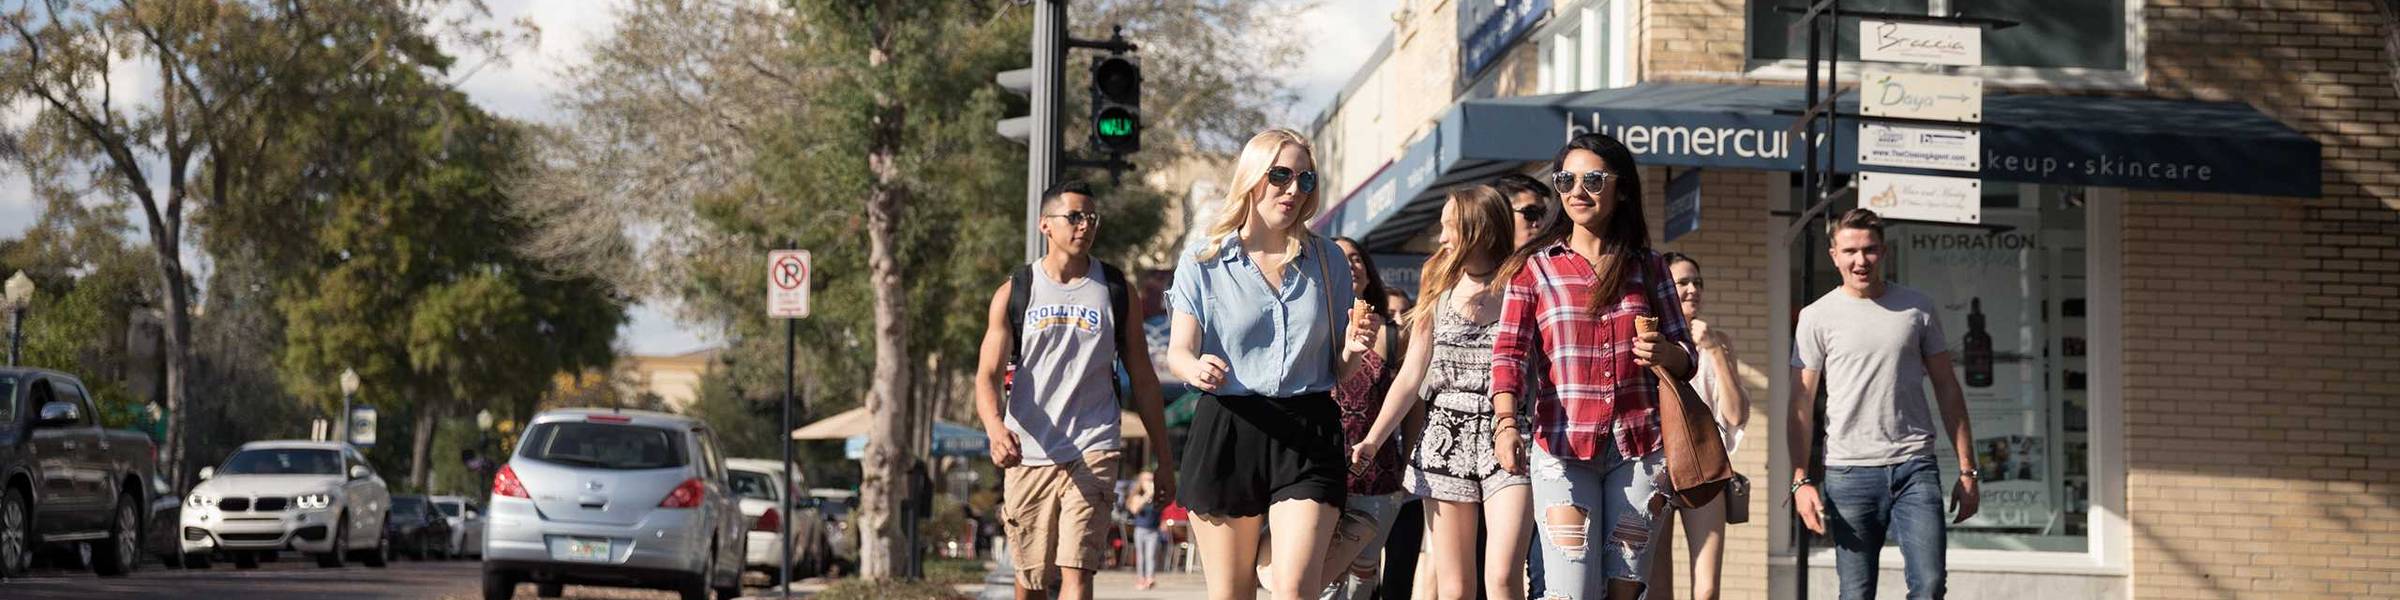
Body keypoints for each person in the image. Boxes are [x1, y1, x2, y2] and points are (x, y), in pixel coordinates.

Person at [1167, 127, 1383, 600]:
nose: (1292, 190)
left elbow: (1339, 368)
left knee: (1294, 588)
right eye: (1280, 175)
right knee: (1232, 593)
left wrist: (1353, 348)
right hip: (1229, 424)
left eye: (1305, 180)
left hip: (1308, 429)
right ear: (1251, 177)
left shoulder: (1326, 260)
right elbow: (1177, 351)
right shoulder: (1204, 259)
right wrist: (1195, 368)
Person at [1489, 133, 1696, 600]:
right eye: (1566, 179)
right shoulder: (1534, 268)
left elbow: (1687, 357)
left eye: (1593, 179)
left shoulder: (1650, 266)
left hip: (1641, 448)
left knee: (1624, 593)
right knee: (1571, 592)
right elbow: (1508, 355)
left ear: (1621, 189)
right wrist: (1505, 424)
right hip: (1561, 450)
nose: (1577, 190)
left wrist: (1667, 353)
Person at [974, 179, 1180, 600]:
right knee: (1031, 579)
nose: (1084, 225)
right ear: (1045, 225)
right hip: (1029, 450)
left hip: (1094, 445)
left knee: (1078, 570)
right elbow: (987, 376)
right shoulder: (1016, 291)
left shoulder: (1115, 290)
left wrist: (1163, 459)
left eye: (1091, 217)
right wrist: (996, 430)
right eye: (1074, 216)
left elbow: (1143, 378)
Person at [1351, 184, 1531, 600]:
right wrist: (1375, 439)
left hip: (1510, 431)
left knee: (1503, 578)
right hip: (1445, 435)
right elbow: (1412, 372)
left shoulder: (1522, 282)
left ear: (1479, 229)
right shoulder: (1437, 280)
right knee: (1455, 587)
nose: (1442, 237)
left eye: (1450, 227)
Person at [1789, 208, 1978, 600]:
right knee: (1856, 593)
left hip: (1915, 467)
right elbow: (1801, 403)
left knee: (1929, 585)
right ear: (1833, 255)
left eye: (1870, 250)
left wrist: (1968, 470)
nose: (1860, 260)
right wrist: (1801, 479)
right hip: (1849, 471)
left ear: (1884, 252)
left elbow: (1948, 389)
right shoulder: (1815, 317)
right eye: (1850, 251)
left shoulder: (1917, 308)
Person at [1646, 252, 1751, 600]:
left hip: (1705, 467)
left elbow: (1736, 415)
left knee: (1706, 590)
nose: (1693, 290)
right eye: (1683, 282)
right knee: (1657, 589)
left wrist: (1715, 351)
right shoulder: (1652, 342)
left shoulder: (1717, 341)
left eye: (1698, 282)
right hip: (1658, 470)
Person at [1489, 170, 1558, 600]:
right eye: (1530, 213)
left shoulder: (1553, 275)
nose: (1539, 223)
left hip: (1541, 443)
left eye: (1544, 214)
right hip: (1477, 443)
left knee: (1544, 569)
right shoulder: (1476, 284)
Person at [1130, 471, 1167, 590]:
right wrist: (1147, 495)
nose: (1150, 483)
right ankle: (1141, 578)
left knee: (1151, 555)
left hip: (1153, 530)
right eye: (1147, 480)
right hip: (1140, 530)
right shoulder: (1137, 496)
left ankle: (1150, 578)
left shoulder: (1157, 497)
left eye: (1152, 480)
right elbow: (1135, 509)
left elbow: (1163, 511)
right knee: (1141, 556)